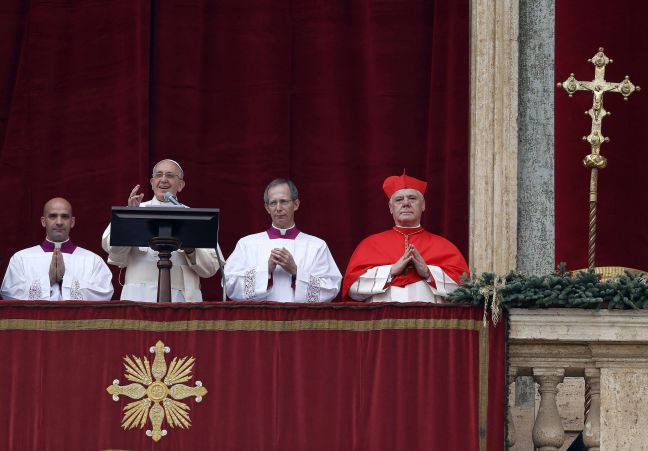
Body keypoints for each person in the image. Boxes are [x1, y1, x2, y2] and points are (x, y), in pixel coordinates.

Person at [101, 159, 221, 302]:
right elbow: (110, 247)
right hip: (139, 297)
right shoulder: (135, 212)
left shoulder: (194, 217)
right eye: (159, 175)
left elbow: (210, 268)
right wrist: (130, 218)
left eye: (170, 175)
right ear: (152, 183)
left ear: (181, 185)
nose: (163, 180)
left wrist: (191, 248)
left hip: (181, 298)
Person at [342, 173, 469, 302]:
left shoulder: (444, 246)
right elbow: (352, 289)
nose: (406, 203)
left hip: (430, 321)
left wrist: (427, 273)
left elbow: (464, 290)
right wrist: (390, 271)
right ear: (391, 208)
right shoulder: (370, 245)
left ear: (423, 205)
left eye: (412, 198)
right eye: (399, 200)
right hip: (382, 320)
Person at [225, 178, 341, 302]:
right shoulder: (247, 244)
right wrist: (266, 269)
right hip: (260, 319)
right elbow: (229, 285)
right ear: (267, 208)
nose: (278, 208)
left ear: (296, 204)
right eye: (273, 203)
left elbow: (331, 288)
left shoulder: (317, 246)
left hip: (300, 320)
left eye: (284, 202)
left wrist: (296, 271)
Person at [1, 197, 114, 301]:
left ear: (72, 222)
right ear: (43, 221)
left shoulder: (93, 260)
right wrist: (48, 280)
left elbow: (105, 293)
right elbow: (9, 293)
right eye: (53, 216)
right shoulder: (21, 258)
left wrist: (65, 279)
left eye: (64, 216)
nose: (59, 222)